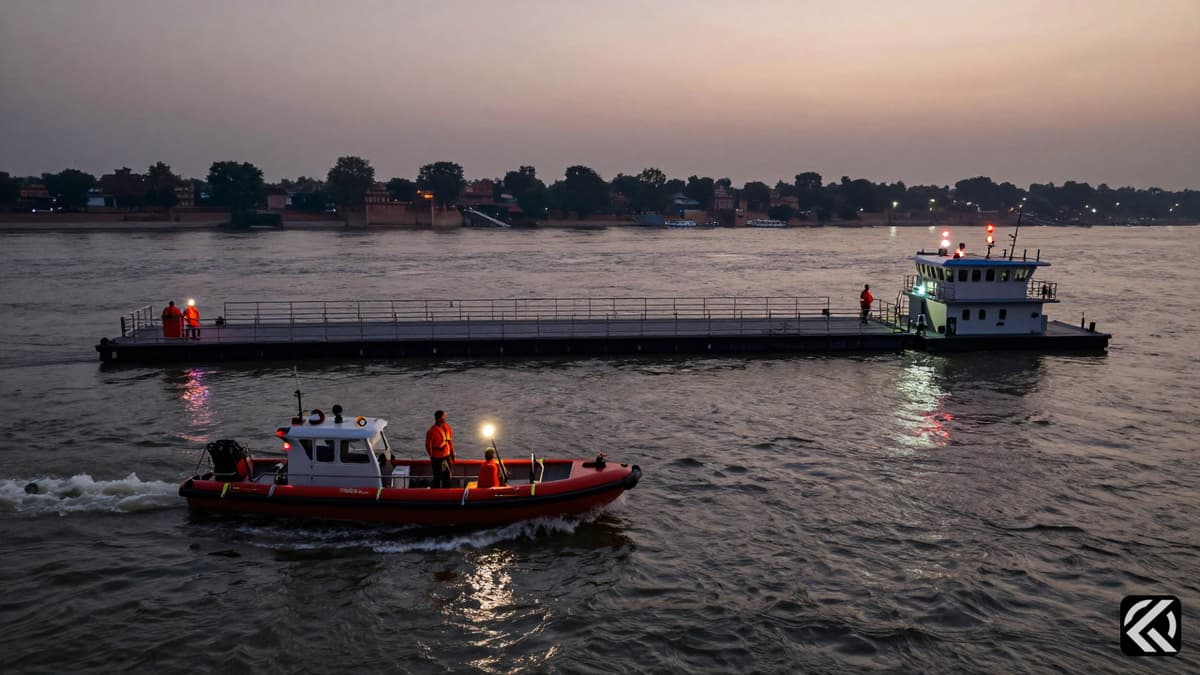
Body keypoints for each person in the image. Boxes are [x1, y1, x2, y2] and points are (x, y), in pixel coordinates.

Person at [424, 409, 455, 488]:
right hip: (437, 458)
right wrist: (432, 456)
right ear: (439, 418)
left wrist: (452, 453)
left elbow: (449, 441)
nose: (445, 418)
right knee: (437, 477)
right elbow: (428, 445)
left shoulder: (447, 428)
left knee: (447, 476)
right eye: (444, 417)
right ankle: (436, 493)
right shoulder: (431, 431)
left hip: (446, 457)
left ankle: (446, 493)